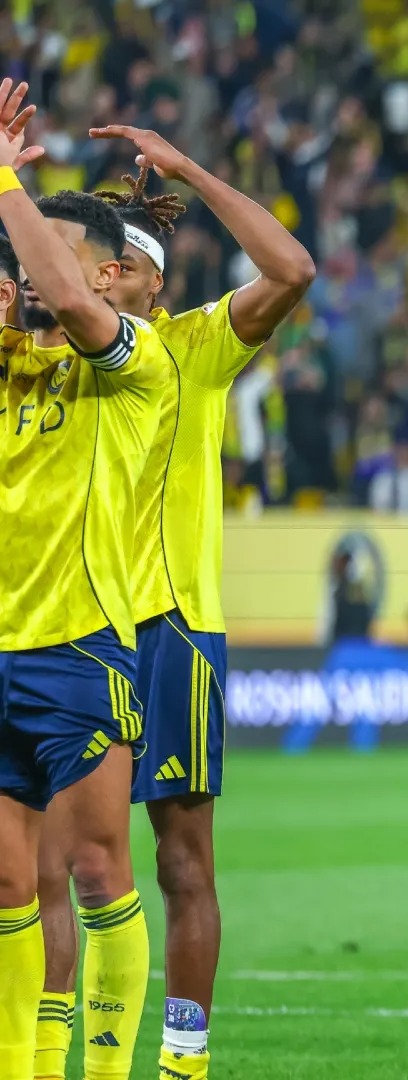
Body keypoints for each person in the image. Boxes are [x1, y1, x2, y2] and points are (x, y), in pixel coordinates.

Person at [31, 126, 314, 1080]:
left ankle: (182, 1062)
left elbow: (291, 269)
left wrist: (190, 169)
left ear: (147, 281)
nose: (99, 280)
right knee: (59, 865)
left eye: (122, 267)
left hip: (173, 630)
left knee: (181, 864)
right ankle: (49, 1054)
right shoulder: (48, 356)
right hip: (75, 624)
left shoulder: (196, 346)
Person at [0, 80, 169, 1080]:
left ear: (104, 272)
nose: (31, 271)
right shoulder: (10, 359)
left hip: (79, 645)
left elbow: (66, 301)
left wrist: (5, 179)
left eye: (48, 253)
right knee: (9, 883)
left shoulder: (134, 363)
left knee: (100, 868)